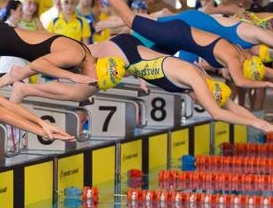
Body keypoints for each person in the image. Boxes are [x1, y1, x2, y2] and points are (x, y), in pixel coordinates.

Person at [17, 32, 272, 133]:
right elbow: (218, 112)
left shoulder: (200, 79)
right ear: (205, 90)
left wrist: (139, 78)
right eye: (201, 97)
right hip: (123, 54)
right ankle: (21, 76)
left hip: (131, 58)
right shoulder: (195, 79)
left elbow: (228, 104)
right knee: (73, 70)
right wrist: (257, 122)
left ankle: (23, 81)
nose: (198, 101)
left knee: (76, 80)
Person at [73, 0, 272, 90]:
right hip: (190, 26)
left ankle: (116, 39)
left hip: (188, 38)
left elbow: (238, 75)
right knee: (139, 21)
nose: (229, 75)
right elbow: (241, 79)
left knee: (151, 61)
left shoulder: (241, 51)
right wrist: (266, 83)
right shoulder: (248, 37)